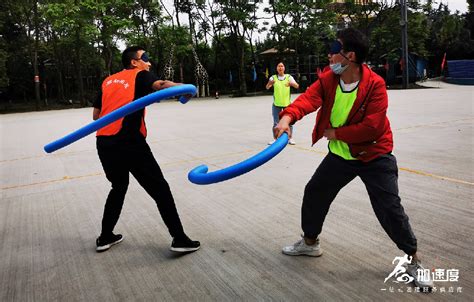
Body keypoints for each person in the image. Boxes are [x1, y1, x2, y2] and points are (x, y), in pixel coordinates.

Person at [273, 28, 433, 289]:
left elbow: (372, 127)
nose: (329, 55)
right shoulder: (328, 79)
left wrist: (335, 132)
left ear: (349, 56)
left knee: (389, 208)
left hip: (374, 154)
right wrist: (286, 118)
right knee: (315, 192)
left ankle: (413, 259)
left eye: (334, 51)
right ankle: (310, 243)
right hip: (341, 155)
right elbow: (308, 99)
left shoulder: (375, 85)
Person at [92, 46, 200, 253]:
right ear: (134, 62)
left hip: (104, 142)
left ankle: (105, 236)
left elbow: (96, 116)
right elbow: (161, 84)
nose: (149, 63)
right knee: (160, 189)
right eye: (146, 58)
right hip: (129, 141)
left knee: (118, 186)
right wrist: (186, 87)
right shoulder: (140, 74)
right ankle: (179, 239)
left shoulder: (108, 81)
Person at [266, 62, 299, 145]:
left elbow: (297, 86)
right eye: (279, 66)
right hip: (276, 104)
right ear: (276, 68)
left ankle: (290, 138)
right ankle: (275, 138)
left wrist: (292, 83)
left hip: (287, 104)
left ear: (284, 68)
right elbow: (267, 87)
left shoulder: (288, 77)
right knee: (276, 123)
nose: (280, 67)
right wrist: (270, 83)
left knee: (289, 122)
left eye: (282, 66)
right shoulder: (273, 78)